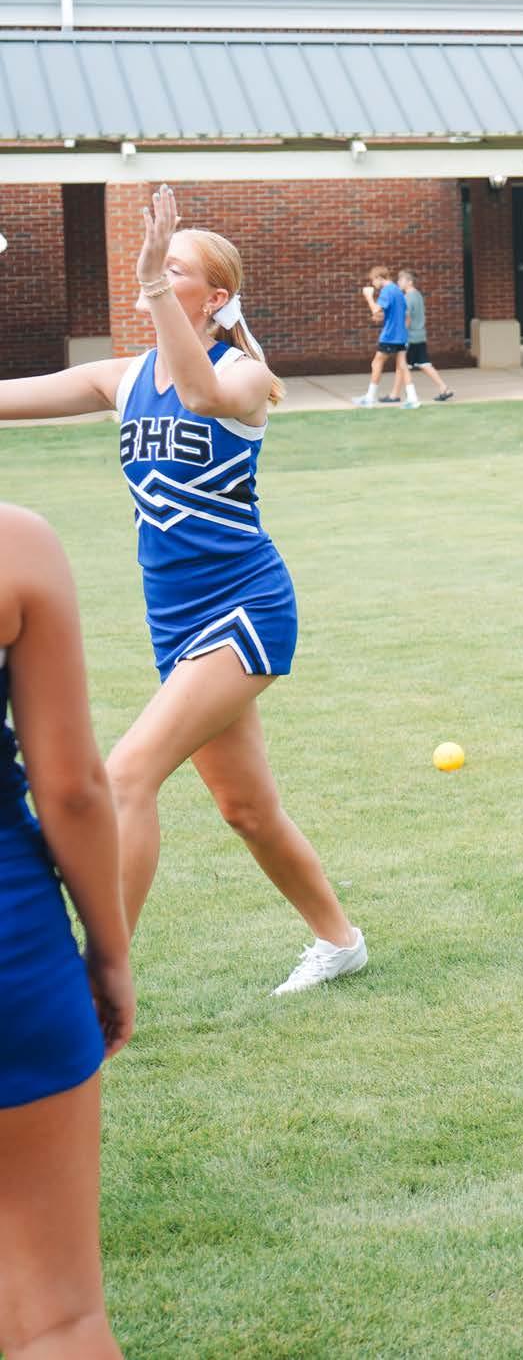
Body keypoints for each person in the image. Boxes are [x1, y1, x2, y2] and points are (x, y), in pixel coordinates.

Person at [0, 185, 367, 996]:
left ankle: (96, 981)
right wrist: (157, 283)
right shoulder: (120, 378)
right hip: (175, 623)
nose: (151, 272)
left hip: (245, 608)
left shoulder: (245, 375)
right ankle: (340, 941)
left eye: (172, 268)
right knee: (247, 810)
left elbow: (201, 395)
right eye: (154, 264)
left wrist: (151, 285)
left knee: (126, 773)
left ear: (215, 296)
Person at [0, 504, 134, 1360]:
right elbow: (74, 789)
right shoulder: (14, 543)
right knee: (56, 1319)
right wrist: (109, 948)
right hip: (9, 947)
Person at [354, 265, 412, 408]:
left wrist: (368, 296)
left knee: (376, 363)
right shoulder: (397, 291)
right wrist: (382, 317)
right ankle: (412, 398)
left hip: (390, 335)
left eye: (373, 280)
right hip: (401, 335)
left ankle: (370, 397)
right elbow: (403, 315)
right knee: (402, 366)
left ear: (379, 278)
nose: (373, 284)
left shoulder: (387, 291)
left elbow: (375, 309)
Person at [399, 269, 454, 403]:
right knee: (424, 364)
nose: (398, 282)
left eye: (401, 280)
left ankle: (405, 395)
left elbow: (407, 318)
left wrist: (401, 334)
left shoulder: (407, 298)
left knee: (403, 366)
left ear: (409, 282)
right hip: (420, 335)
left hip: (410, 337)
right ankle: (444, 388)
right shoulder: (418, 295)